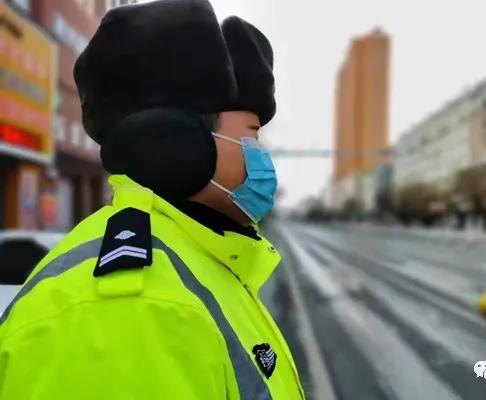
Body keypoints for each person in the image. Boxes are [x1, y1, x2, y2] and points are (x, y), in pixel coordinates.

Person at [0, 1, 304, 399]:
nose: (262, 158)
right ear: (179, 141)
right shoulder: (137, 309)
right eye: (252, 135)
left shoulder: (193, 267)